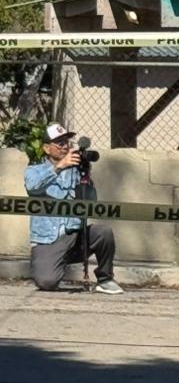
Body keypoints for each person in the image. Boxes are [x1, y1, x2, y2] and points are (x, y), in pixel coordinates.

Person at [24, 123, 121, 294]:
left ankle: (105, 278)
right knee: (47, 282)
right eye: (59, 143)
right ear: (46, 148)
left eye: (67, 142)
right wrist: (59, 166)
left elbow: (91, 202)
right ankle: (53, 263)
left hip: (74, 236)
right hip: (48, 239)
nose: (65, 147)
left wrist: (86, 177)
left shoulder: (76, 171)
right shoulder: (34, 170)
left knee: (103, 232)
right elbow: (33, 187)